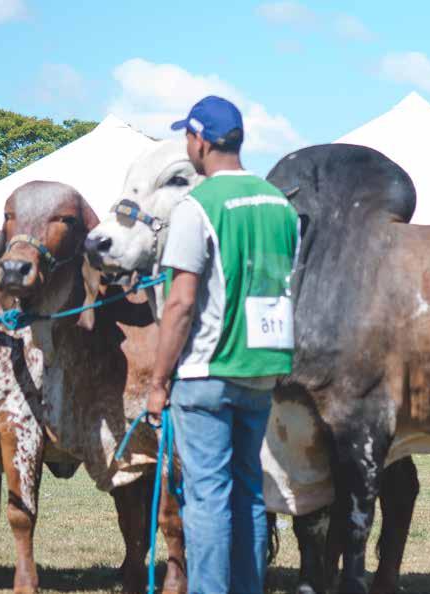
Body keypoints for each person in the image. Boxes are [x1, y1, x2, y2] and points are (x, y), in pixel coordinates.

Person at [147, 95, 300, 594]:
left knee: (207, 499)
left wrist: (157, 382)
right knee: (249, 495)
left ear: (202, 141)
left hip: (206, 374)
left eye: (187, 137)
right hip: (262, 370)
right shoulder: (280, 204)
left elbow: (180, 305)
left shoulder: (197, 206)